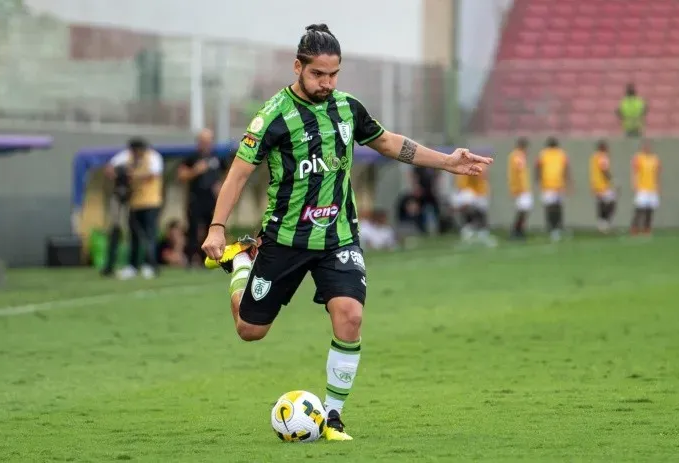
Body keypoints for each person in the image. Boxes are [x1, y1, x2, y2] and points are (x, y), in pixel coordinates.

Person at [200, 24, 492, 441]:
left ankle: (333, 418)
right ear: (298, 66)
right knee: (250, 330)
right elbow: (238, 174)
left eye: (334, 74)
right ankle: (241, 262)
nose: (328, 82)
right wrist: (217, 228)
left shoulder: (347, 108)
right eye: (319, 74)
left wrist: (447, 162)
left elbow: (389, 143)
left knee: (350, 316)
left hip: (338, 237)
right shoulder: (272, 117)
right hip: (285, 238)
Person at [103, 137, 163, 279]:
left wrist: (131, 175)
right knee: (134, 236)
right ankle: (133, 265)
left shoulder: (153, 157)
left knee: (150, 235)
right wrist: (118, 174)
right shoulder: (127, 157)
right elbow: (110, 168)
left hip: (150, 202)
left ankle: (151, 265)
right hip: (134, 203)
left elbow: (152, 175)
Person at [178, 128, 223, 267]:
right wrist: (195, 171)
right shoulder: (192, 158)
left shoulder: (217, 157)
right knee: (193, 229)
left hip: (212, 199)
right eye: (203, 141)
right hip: (195, 198)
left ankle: (208, 260)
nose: (206, 144)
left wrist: (221, 186)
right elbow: (181, 175)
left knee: (211, 229)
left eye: (208, 141)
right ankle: (191, 260)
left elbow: (227, 173)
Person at [535, 136, 572, 242]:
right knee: (555, 208)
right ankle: (554, 228)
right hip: (555, 184)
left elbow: (537, 167)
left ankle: (555, 228)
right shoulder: (560, 153)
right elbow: (566, 168)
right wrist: (568, 181)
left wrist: (538, 179)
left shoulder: (544, 153)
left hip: (550, 185)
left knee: (552, 208)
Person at [630, 139, 661, 236]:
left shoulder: (655, 159)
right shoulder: (638, 158)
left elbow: (657, 174)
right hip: (642, 187)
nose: (647, 148)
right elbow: (635, 172)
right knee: (639, 208)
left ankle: (647, 228)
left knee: (650, 209)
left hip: (652, 187)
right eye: (645, 146)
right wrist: (634, 183)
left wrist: (658, 185)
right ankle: (634, 227)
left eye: (648, 146)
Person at [507, 137, 532, 239]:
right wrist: (518, 187)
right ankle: (517, 231)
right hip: (521, 189)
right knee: (523, 209)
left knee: (523, 209)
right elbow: (518, 173)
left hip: (521, 188)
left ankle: (518, 231)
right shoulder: (518, 156)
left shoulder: (516, 155)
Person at [589, 140, 616, 234]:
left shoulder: (594, 157)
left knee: (601, 204)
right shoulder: (602, 156)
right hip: (603, 185)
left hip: (596, 184)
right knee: (611, 202)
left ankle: (601, 223)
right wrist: (612, 181)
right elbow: (604, 170)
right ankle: (605, 222)